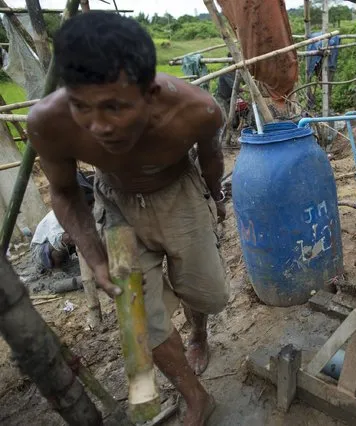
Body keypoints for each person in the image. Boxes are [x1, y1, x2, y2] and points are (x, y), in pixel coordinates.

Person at [27, 12, 228, 426]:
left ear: (150, 92)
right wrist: (95, 256)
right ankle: (196, 398)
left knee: (205, 292)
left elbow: (211, 159)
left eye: (114, 107)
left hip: (180, 196)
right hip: (116, 203)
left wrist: (215, 197)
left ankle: (198, 333)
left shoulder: (197, 111)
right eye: (82, 106)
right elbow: (64, 193)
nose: (98, 125)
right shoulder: (50, 122)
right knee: (137, 316)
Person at [30, 171, 95, 272]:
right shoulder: (59, 215)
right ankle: (57, 270)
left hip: (64, 242)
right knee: (72, 237)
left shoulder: (85, 203)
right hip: (42, 250)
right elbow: (57, 240)